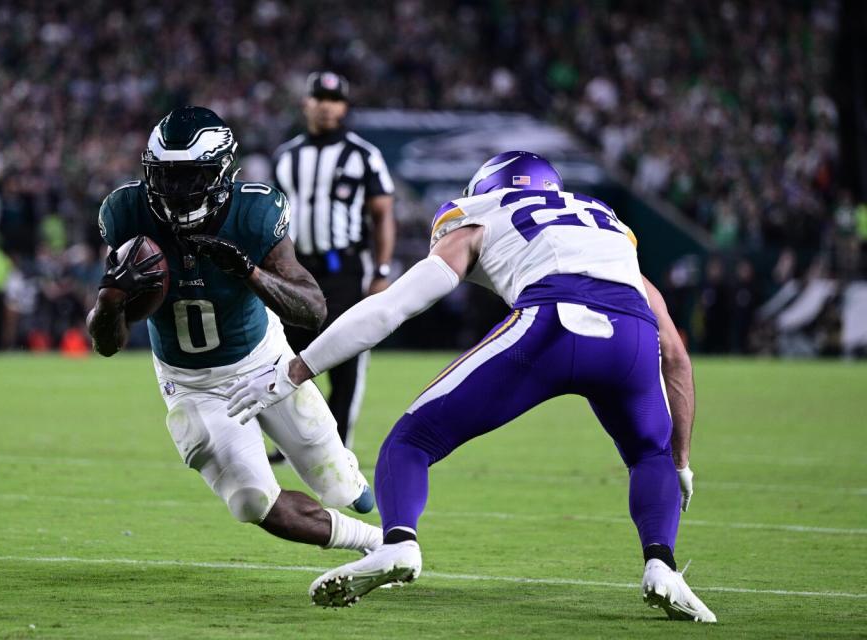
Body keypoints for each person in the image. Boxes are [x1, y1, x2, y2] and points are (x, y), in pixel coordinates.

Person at [226, 151, 716, 622]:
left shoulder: (481, 214)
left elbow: (394, 307)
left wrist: (297, 369)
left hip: (549, 325)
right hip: (630, 336)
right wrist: (682, 459)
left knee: (411, 441)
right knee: (651, 455)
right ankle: (661, 565)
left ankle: (398, 544)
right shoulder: (605, 226)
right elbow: (675, 355)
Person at [86, 106, 381, 557]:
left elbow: (314, 310)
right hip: (190, 384)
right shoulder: (126, 213)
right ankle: (377, 543)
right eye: (164, 176)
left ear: (223, 170)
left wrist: (251, 273)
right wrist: (109, 300)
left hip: (264, 362)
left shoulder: (254, 211)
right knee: (251, 501)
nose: (176, 191)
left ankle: (349, 475)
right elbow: (108, 345)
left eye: (190, 176)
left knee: (340, 486)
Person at [270, 71, 396, 456]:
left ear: (343, 106)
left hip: (344, 268)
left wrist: (382, 270)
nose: (326, 106)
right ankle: (292, 443)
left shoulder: (362, 155)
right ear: (306, 102)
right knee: (283, 356)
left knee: (346, 357)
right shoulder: (286, 156)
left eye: (334, 99)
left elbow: (383, 213)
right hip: (294, 268)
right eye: (319, 98)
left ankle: (337, 447)